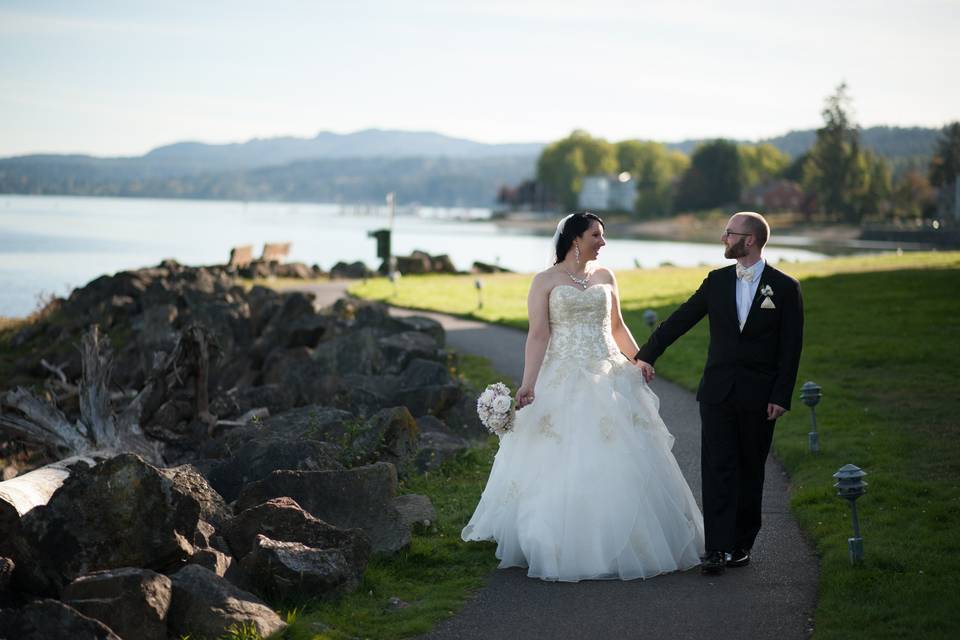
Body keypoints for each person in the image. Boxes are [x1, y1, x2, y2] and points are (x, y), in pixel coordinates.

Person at [461, 212, 704, 582]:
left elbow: (617, 326)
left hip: (610, 374)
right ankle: (555, 540)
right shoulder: (544, 281)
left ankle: (626, 539)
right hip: (562, 375)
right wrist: (528, 383)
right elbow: (538, 335)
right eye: (596, 235)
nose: (603, 242)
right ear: (576, 238)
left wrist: (639, 360)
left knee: (624, 454)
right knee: (561, 456)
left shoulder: (606, 277)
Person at [634, 211, 803, 575]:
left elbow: (791, 348)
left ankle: (741, 544)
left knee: (749, 469)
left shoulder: (785, 288)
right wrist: (645, 354)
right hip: (717, 392)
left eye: (730, 234)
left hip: (760, 396)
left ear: (750, 240)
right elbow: (680, 319)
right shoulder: (716, 282)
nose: (724, 239)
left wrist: (781, 395)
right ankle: (716, 548)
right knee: (717, 468)